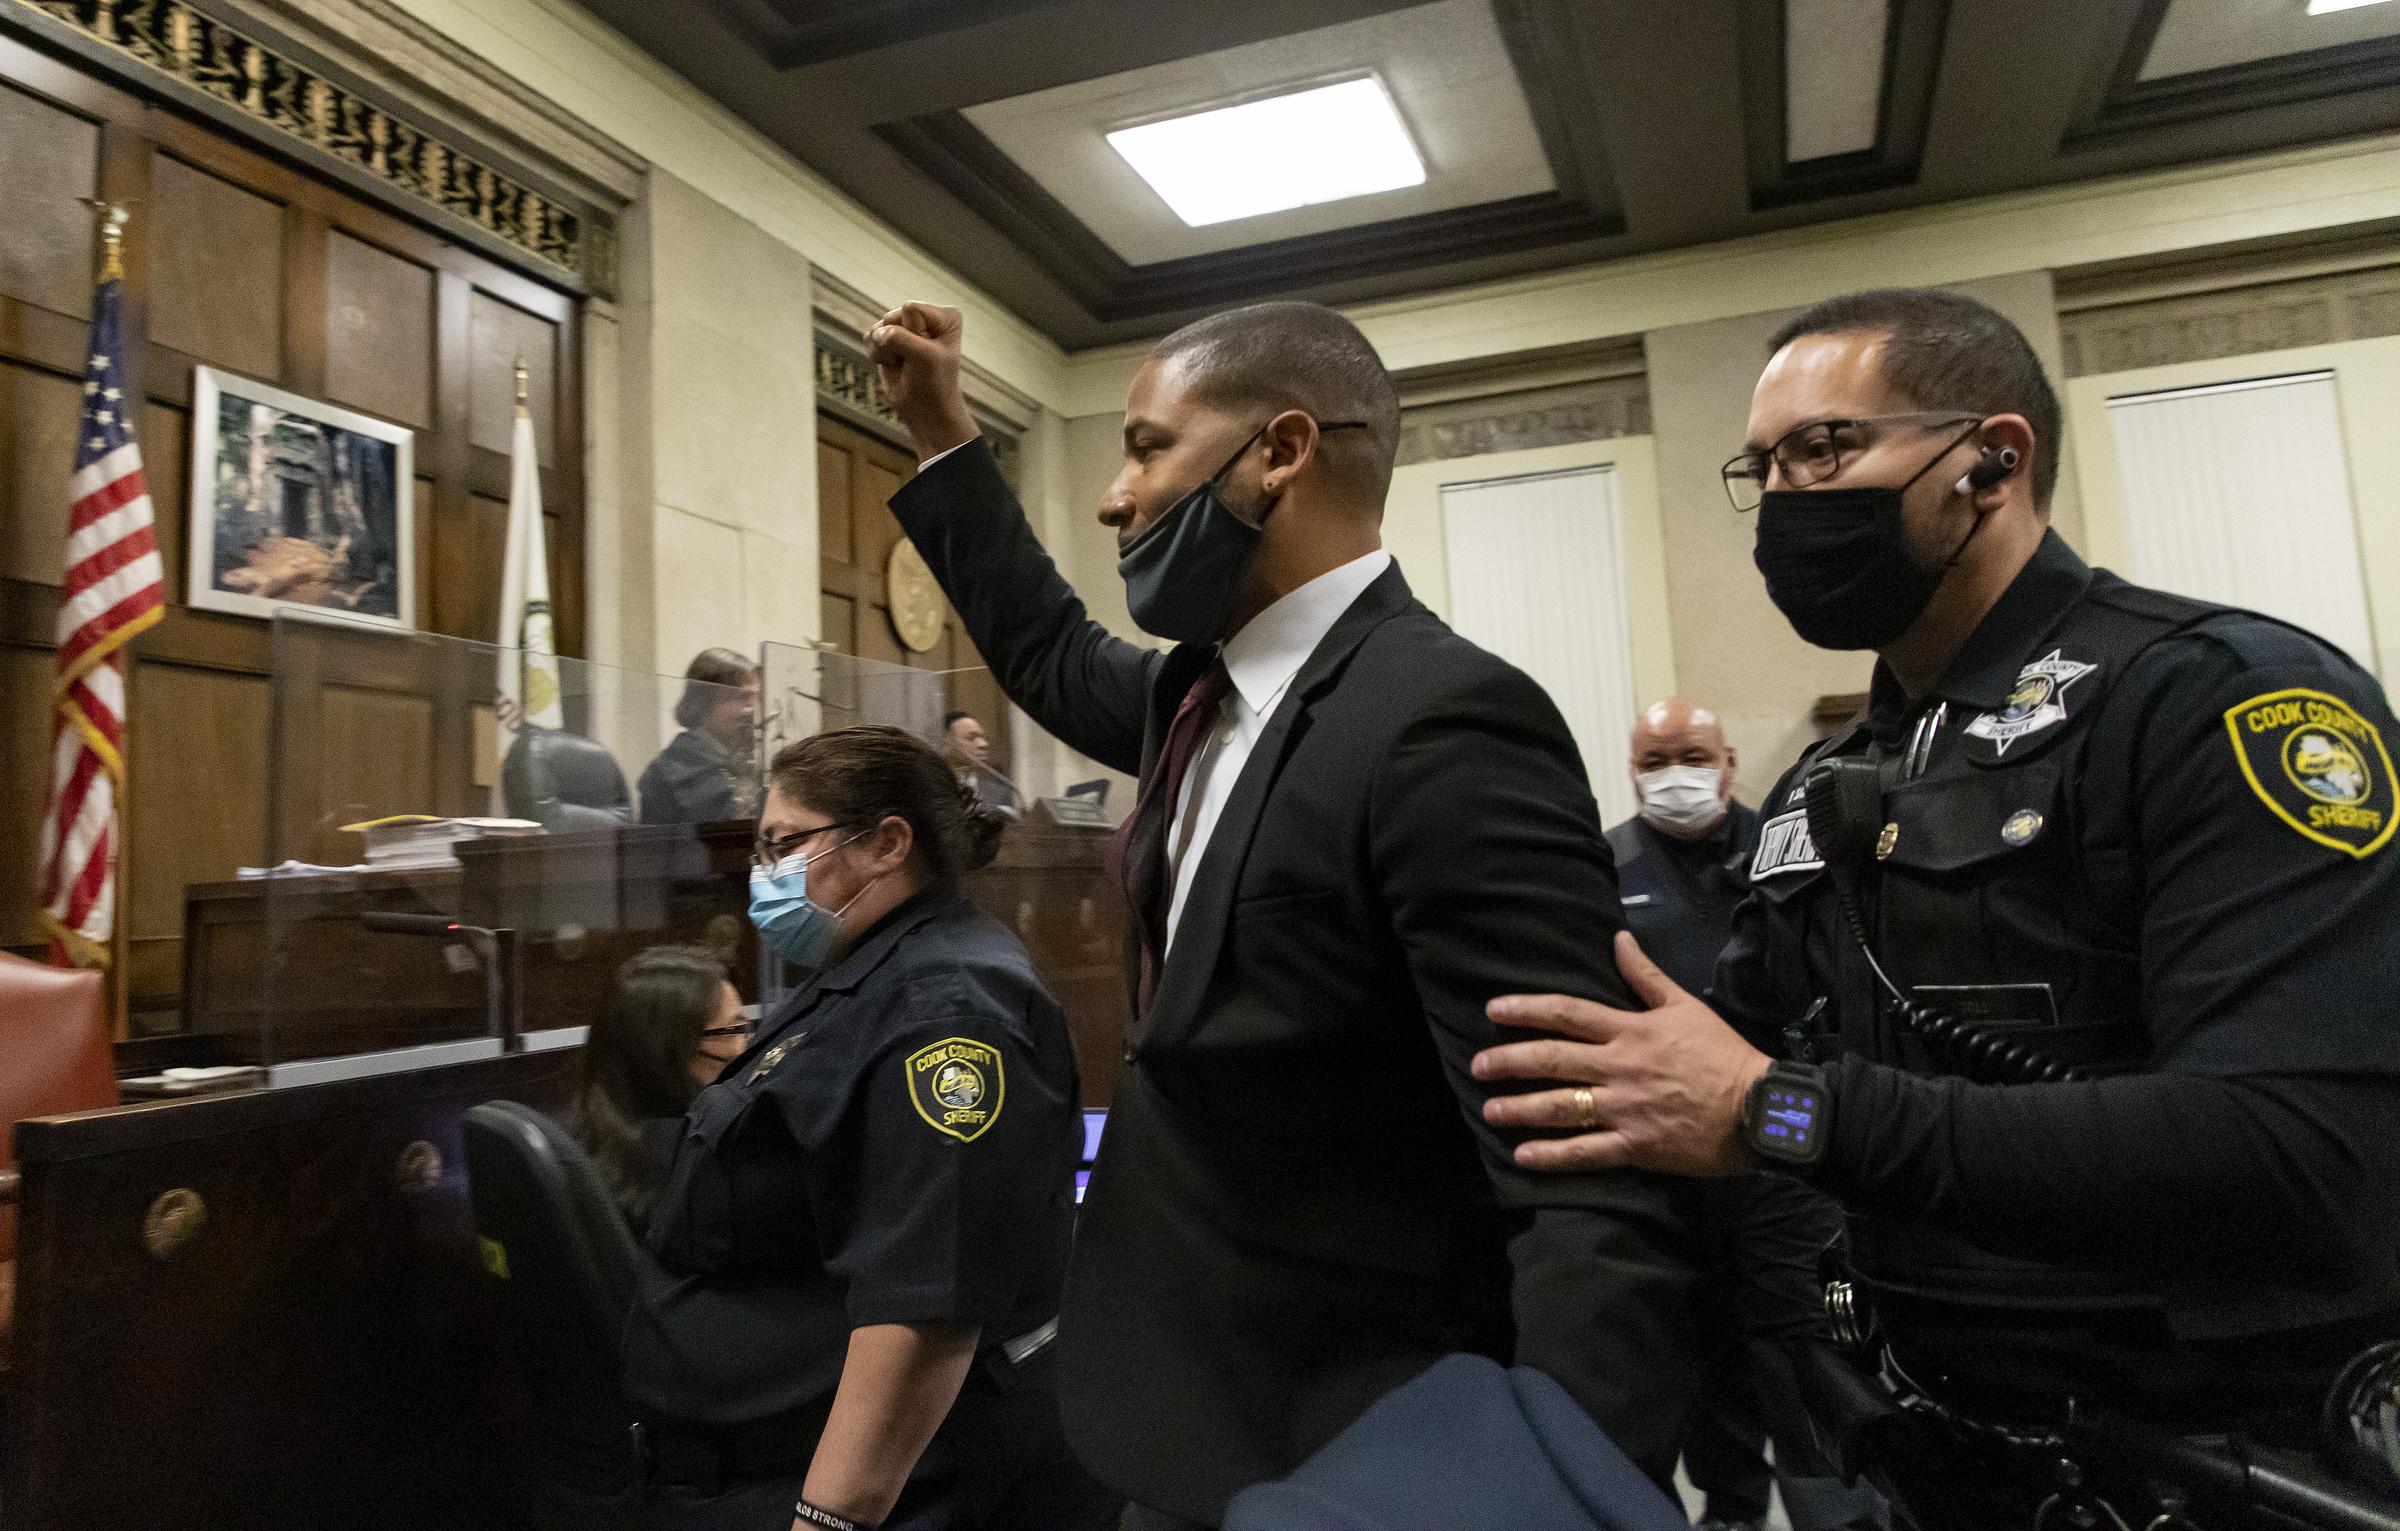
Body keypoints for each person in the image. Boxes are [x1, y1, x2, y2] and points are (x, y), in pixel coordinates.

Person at [1472, 289, 2400, 1529]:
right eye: (1765, 466)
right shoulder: (1824, 788)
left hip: (2212, 1456)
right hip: (1933, 1453)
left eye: (1827, 449)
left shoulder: (2216, 699)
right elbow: (1690, 1069)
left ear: (1992, 462)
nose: (1788, 499)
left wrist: (1780, 1112)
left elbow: (2304, 1149)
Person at [867, 298, 1694, 1528]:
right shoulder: (1196, 698)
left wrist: (1547, 1482)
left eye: (1148, 447)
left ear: (1279, 452)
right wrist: (944, 434)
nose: (1115, 495)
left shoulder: (1445, 720)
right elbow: (1043, 648)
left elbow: (1574, 1155)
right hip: (1192, 1409)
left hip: (1359, 1440)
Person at [624, 725, 1114, 1531]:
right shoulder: (873, 969)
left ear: (888, 842)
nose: (763, 873)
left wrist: (830, 1518)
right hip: (755, 1464)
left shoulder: (947, 1010)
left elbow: (924, 1308)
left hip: (894, 1492)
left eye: (785, 844)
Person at [1611, 700, 1884, 1531]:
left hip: (1783, 1149)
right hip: (1668, 1164)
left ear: (1729, 762)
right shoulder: (1603, 865)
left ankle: (1839, 1513)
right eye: (1655, 760)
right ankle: (1730, 1510)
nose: (1675, 775)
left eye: (1691, 754)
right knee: (1701, 1353)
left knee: (1804, 1347)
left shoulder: (1788, 852)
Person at [565, 945, 752, 1237]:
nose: (745, 1046)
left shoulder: (591, 1140)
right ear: (669, 1051)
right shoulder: (699, 1172)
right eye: (732, 1030)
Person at [640, 647, 762, 825]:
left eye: (755, 697)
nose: (753, 709)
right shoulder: (666, 773)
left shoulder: (751, 759)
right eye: (742, 697)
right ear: (704, 701)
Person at [940, 711, 1022, 819]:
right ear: (946, 743)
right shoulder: (933, 789)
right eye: (971, 737)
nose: (983, 744)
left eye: (983, 737)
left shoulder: (1001, 794)